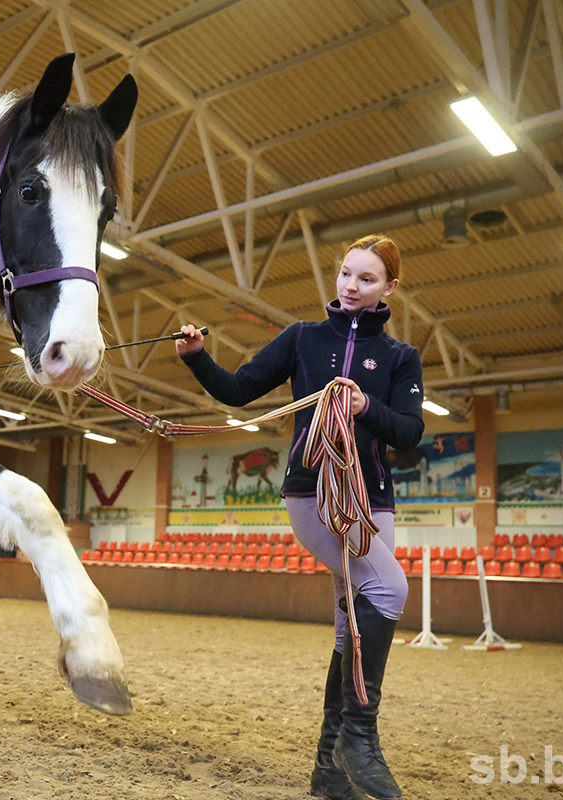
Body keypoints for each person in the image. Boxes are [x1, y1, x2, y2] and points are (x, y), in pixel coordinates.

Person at [176, 234, 423, 800]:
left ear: (389, 287)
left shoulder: (400, 357)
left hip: (372, 500)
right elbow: (238, 390)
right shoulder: (302, 338)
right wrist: (197, 358)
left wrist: (365, 405)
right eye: (346, 274)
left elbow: (410, 431)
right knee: (389, 588)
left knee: (349, 624)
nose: (351, 286)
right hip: (314, 492)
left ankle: (328, 772)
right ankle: (359, 739)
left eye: (366, 279)